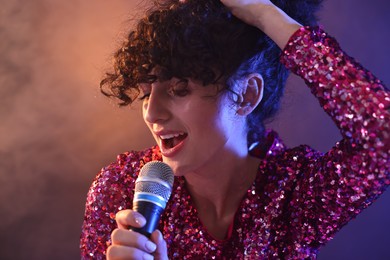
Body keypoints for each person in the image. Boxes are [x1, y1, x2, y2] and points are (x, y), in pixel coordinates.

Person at [80, 0, 389, 259]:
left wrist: (266, 15)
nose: (152, 112)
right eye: (146, 92)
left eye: (179, 89)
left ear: (247, 95)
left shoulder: (290, 195)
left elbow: (382, 135)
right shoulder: (120, 189)